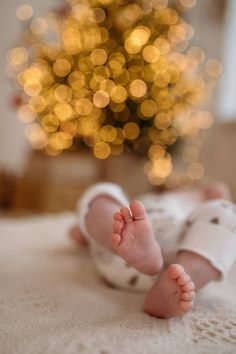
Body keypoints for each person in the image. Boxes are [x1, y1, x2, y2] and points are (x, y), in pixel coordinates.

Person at [70, 180, 236, 318]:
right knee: (107, 193)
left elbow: (84, 227)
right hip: (127, 244)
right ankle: (151, 261)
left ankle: (174, 285)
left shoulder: (199, 204)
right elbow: (81, 231)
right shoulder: (136, 206)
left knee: (100, 194)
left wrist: (90, 226)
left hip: (176, 252)